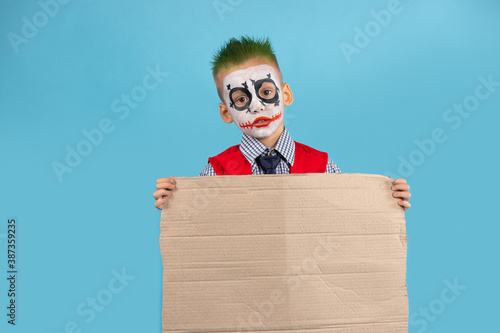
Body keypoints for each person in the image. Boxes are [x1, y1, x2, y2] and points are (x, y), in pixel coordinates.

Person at [153, 36, 411, 210]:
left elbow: (346, 213)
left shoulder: (322, 166)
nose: (256, 106)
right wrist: (173, 201)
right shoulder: (217, 171)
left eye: (266, 92)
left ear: (285, 94)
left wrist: (386, 201)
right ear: (226, 112)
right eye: (241, 99)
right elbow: (196, 224)